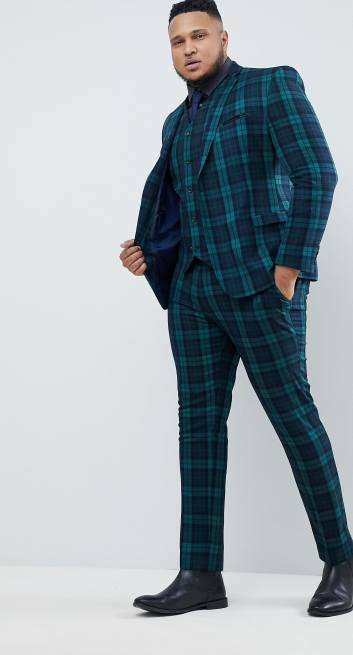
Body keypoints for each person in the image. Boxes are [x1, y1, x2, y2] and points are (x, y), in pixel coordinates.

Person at [119, 0, 353, 617]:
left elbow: (318, 174)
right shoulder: (175, 122)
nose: (188, 48)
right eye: (177, 41)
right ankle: (201, 575)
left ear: (224, 38)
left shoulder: (271, 86)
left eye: (199, 36)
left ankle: (344, 562)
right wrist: (150, 252)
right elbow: (177, 205)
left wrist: (288, 268)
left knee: (294, 418)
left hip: (260, 286)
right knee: (197, 429)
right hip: (193, 293)